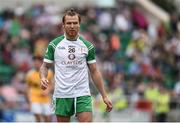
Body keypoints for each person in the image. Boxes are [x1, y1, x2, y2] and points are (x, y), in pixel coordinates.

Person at [39, 8, 113, 122]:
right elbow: (45, 66)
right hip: (62, 94)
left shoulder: (87, 46)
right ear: (63, 25)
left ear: (79, 25)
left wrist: (104, 95)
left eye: (75, 23)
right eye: (69, 23)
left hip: (82, 93)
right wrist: (43, 77)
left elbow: (94, 71)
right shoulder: (54, 45)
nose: (72, 26)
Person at [25, 56, 54, 122]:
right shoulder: (30, 74)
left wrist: (48, 91)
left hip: (46, 98)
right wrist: (29, 101)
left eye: (37, 62)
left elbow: (52, 84)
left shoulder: (49, 72)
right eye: (35, 62)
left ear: (41, 63)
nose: (36, 64)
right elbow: (27, 88)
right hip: (34, 97)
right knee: (38, 115)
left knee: (48, 118)